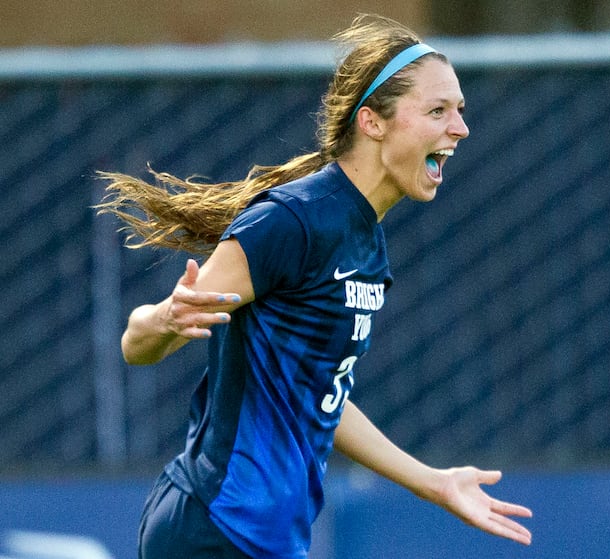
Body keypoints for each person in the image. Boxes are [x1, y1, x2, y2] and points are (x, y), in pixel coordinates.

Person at [97, 14, 532, 559]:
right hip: (215, 527)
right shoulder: (293, 222)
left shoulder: (365, 244)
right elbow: (135, 346)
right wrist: (163, 320)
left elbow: (317, 393)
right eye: (438, 111)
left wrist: (433, 482)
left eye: (460, 111)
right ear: (373, 122)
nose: (460, 128)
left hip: (266, 540)